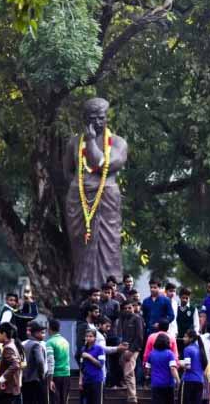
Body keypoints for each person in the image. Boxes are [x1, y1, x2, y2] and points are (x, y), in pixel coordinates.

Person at [63, 98, 129, 292]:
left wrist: (91, 141)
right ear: (85, 119)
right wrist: (79, 187)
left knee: (108, 243)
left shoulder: (118, 142)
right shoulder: (74, 142)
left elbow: (101, 165)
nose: (98, 122)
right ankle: (82, 289)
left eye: (101, 118)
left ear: (107, 118)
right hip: (79, 200)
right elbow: (68, 171)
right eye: (93, 118)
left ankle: (108, 287)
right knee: (80, 243)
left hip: (106, 198)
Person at [115, 300, 143, 403]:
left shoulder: (137, 318)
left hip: (133, 349)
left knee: (128, 373)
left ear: (134, 307)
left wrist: (131, 351)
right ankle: (130, 394)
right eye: (125, 308)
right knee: (127, 371)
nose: (127, 310)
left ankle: (132, 397)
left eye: (129, 308)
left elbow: (139, 337)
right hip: (124, 348)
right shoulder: (123, 319)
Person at [145, 333, 180, 404]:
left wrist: (149, 376)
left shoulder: (151, 354)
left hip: (156, 384)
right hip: (168, 384)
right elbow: (173, 368)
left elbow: (147, 369)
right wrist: (178, 380)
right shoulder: (170, 354)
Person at [179, 329, 208, 404]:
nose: (183, 338)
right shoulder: (200, 349)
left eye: (185, 337)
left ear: (191, 338)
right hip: (200, 381)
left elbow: (188, 366)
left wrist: (178, 362)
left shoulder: (187, 349)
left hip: (189, 380)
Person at [22, 320, 48, 404]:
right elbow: (40, 361)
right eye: (41, 332)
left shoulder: (25, 344)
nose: (43, 335)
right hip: (36, 381)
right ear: (35, 333)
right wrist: (42, 375)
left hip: (25, 380)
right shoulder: (37, 345)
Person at [46, 319, 71, 404]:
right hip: (66, 375)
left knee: (54, 401)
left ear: (49, 328)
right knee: (64, 401)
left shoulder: (50, 342)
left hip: (55, 376)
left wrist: (50, 379)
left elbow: (50, 362)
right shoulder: (65, 341)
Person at [79, 328, 106, 404]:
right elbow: (82, 366)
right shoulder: (83, 349)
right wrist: (80, 381)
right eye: (87, 336)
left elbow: (100, 365)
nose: (88, 338)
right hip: (86, 380)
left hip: (96, 380)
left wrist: (89, 356)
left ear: (95, 338)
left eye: (90, 336)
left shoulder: (99, 349)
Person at [177, 287, 200, 352]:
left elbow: (196, 324)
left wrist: (195, 335)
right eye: (183, 298)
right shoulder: (175, 307)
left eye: (186, 298)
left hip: (189, 338)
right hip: (178, 337)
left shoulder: (193, 309)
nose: (185, 300)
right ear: (180, 297)